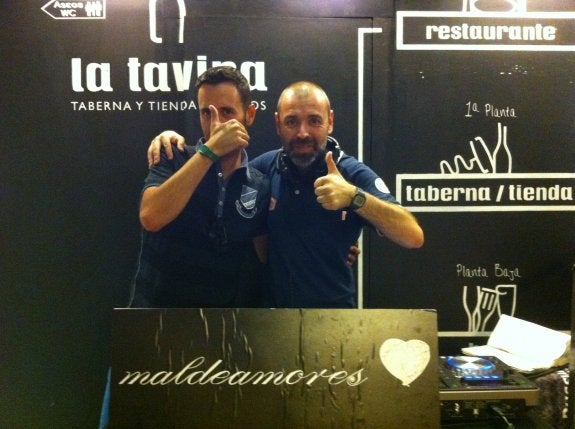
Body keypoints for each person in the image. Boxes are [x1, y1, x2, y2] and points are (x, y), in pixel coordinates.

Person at [149, 81, 423, 308]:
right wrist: (171, 140)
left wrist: (354, 197)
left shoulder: (351, 173)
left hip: (335, 321)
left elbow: (412, 236)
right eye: (292, 121)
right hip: (269, 322)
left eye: (314, 120)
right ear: (278, 124)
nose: (302, 132)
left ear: (330, 121)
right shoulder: (261, 169)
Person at [130, 65, 270, 308]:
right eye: (207, 112)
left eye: (227, 112)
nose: (217, 123)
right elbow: (151, 217)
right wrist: (209, 151)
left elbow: (265, 257)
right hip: (154, 318)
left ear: (249, 114)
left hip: (217, 322)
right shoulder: (173, 155)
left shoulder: (259, 184)